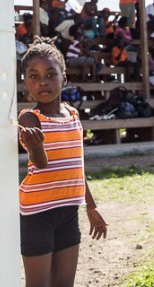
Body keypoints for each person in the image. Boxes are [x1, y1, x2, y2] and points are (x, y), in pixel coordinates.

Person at [18, 38, 108, 287]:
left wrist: (91, 207)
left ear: (64, 77)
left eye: (50, 74)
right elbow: (41, 163)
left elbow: (77, 166)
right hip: (37, 214)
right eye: (33, 76)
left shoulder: (73, 115)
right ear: (25, 83)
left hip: (68, 212)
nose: (42, 82)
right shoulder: (29, 118)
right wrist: (36, 147)